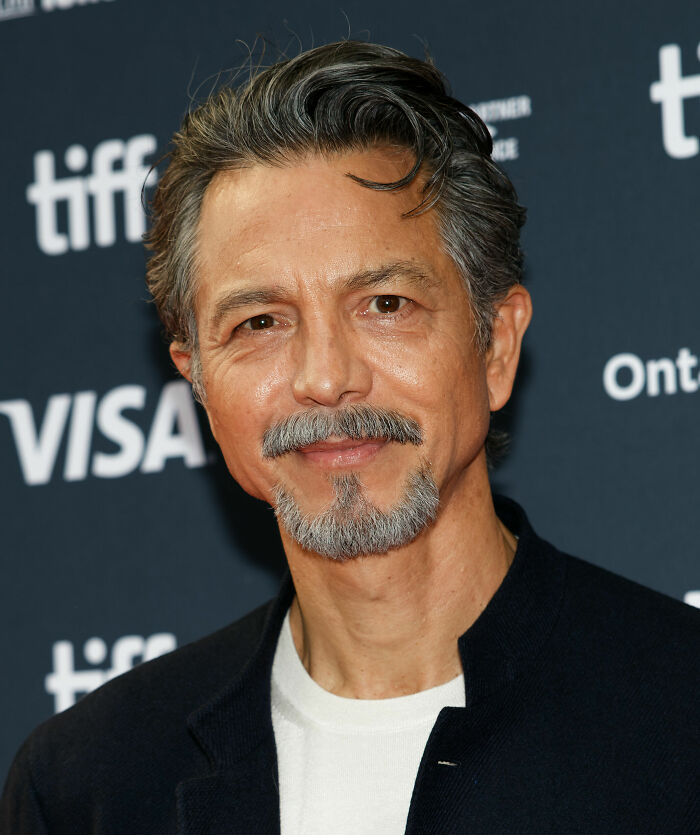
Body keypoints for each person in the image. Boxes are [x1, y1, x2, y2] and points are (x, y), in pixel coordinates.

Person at [2, 41, 698, 835]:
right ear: (197, 380)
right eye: (259, 322)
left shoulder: (682, 712)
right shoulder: (88, 787)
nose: (325, 377)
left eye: (386, 304)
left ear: (495, 347)